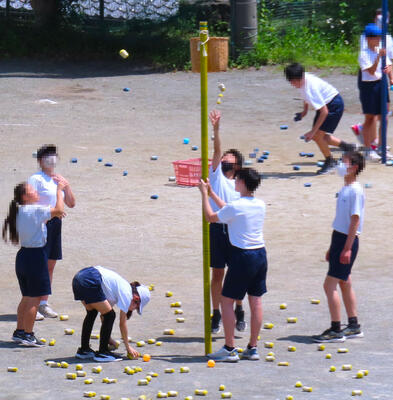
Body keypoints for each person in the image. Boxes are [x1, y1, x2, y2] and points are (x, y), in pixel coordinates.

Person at [199, 168, 267, 362]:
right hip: (261, 255)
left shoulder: (236, 206)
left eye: (237, 180)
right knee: (256, 301)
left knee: (226, 301)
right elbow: (228, 210)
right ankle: (253, 347)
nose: (235, 182)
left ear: (244, 183)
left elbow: (211, 217)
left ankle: (229, 348)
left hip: (243, 256)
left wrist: (204, 195)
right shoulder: (259, 204)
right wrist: (212, 193)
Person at [2, 181, 65, 346]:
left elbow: (51, 215)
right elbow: (59, 210)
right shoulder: (35, 210)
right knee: (34, 300)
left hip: (23, 257)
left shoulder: (19, 211)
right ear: (25, 196)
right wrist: (59, 190)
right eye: (32, 190)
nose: (36, 191)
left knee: (26, 297)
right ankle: (29, 335)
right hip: (35, 257)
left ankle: (20, 331)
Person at [312, 151, 365, 343]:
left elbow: (355, 220)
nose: (341, 165)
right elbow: (342, 221)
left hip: (346, 240)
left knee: (329, 285)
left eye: (345, 162)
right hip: (339, 239)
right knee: (345, 281)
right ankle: (353, 325)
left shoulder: (355, 191)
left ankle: (336, 329)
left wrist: (347, 248)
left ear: (355, 167)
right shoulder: (346, 188)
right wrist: (332, 247)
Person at [208, 110, 247, 334]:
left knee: (237, 274)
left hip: (235, 230)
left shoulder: (241, 186)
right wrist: (216, 130)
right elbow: (216, 150)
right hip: (217, 228)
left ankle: (239, 309)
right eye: (223, 159)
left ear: (237, 166)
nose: (223, 160)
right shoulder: (217, 176)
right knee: (217, 274)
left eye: (228, 160)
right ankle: (216, 314)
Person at [28, 144, 76, 320]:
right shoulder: (36, 179)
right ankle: (31, 303)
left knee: (50, 265)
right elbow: (29, 202)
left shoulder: (58, 179)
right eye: (47, 155)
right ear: (40, 160)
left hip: (56, 224)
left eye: (54, 155)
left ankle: (43, 303)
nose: (51, 158)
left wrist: (66, 186)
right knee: (37, 265)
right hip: (41, 223)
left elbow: (71, 203)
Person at [285, 63, 355, 174]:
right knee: (319, 136)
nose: (293, 84)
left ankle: (330, 161)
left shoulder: (310, 87)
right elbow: (305, 97)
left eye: (295, 82)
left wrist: (312, 132)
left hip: (333, 105)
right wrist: (305, 111)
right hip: (328, 103)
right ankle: (348, 147)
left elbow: (324, 112)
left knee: (317, 135)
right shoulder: (303, 79)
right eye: (291, 82)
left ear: (300, 77)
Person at [72, 266, 151, 362]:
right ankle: (103, 353)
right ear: (136, 299)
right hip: (91, 279)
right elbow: (122, 324)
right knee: (110, 315)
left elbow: (103, 315)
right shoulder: (127, 294)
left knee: (92, 312)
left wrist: (109, 339)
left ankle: (84, 350)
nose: (133, 309)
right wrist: (128, 347)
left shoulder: (118, 291)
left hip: (79, 278)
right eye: (136, 308)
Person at [356, 23, 392, 162]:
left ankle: (382, 147)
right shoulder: (364, 54)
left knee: (385, 116)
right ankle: (368, 149)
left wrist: (391, 76)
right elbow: (371, 71)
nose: (378, 40)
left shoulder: (380, 50)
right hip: (368, 86)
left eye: (379, 37)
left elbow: (389, 65)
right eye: (376, 37)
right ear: (368, 39)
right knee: (370, 118)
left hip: (381, 84)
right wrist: (378, 57)